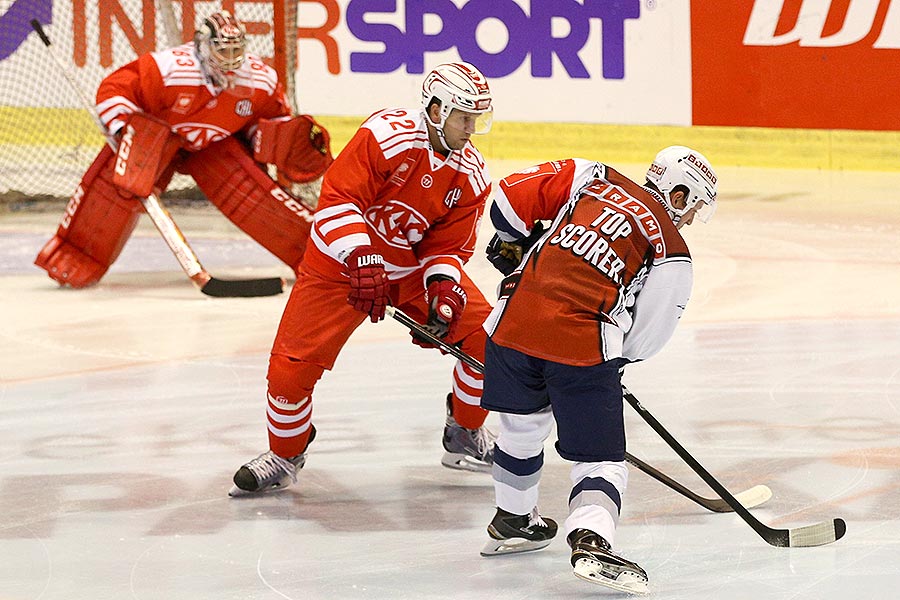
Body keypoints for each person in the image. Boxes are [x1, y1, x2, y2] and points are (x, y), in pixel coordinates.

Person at [229, 61, 498, 495]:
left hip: (407, 274)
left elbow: (446, 247)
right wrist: (362, 256)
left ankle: (464, 433)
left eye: (477, 118)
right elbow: (337, 200)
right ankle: (285, 454)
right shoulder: (386, 135)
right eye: (464, 117)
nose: (472, 129)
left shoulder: (471, 176)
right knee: (288, 373)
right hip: (338, 266)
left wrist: (443, 288)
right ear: (435, 109)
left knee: (488, 338)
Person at [478, 147, 718, 595]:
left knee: (521, 432)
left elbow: (508, 197)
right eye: (693, 207)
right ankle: (591, 538)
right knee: (601, 457)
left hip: (510, 327)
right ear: (680, 194)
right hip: (581, 346)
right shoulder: (671, 247)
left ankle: (513, 518)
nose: (688, 220)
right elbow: (647, 337)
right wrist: (612, 366)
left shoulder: (593, 176)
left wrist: (514, 243)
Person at [35, 10, 332, 289]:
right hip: (159, 141)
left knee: (255, 194)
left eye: (235, 50)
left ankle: (316, 257)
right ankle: (76, 255)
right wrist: (125, 134)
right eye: (222, 50)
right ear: (203, 46)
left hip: (214, 148)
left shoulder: (259, 79)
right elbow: (116, 89)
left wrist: (272, 142)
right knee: (120, 186)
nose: (230, 58)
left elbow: (271, 118)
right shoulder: (170, 69)